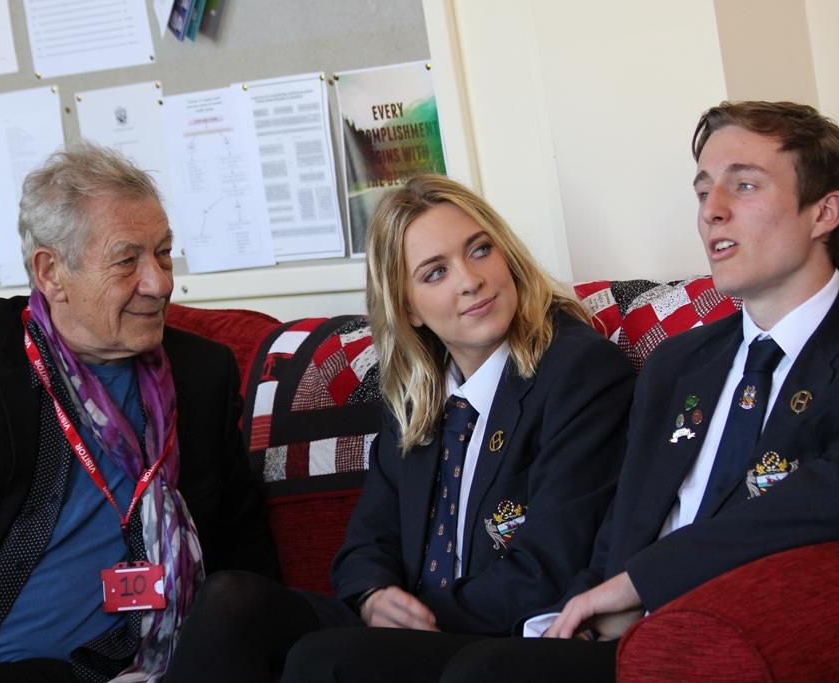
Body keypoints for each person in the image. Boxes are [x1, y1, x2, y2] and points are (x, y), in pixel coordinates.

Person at [0, 141, 279, 683]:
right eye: (128, 260)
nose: (160, 283)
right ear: (51, 272)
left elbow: (244, 547)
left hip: (99, 665)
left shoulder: (201, 375)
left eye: (165, 253)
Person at [162, 174, 635, 683]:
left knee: (324, 659)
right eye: (435, 273)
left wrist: (410, 621)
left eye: (480, 250)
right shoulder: (417, 392)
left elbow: (548, 567)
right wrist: (373, 597)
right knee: (232, 600)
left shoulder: (578, 371)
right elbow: (366, 543)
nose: (470, 280)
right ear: (408, 308)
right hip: (413, 620)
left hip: (489, 633)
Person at [432, 100, 839, 683]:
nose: (711, 213)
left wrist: (644, 581)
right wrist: (572, 613)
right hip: (617, 636)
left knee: (484, 673)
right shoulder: (678, 363)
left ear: (824, 212)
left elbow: (820, 497)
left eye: (743, 186)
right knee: (335, 658)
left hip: (721, 633)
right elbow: (618, 528)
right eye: (702, 193)